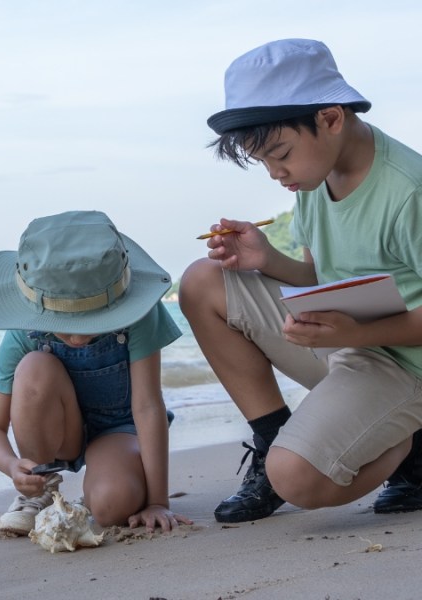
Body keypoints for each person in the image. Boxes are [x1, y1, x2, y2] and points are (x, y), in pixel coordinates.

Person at [179, 38, 422, 524]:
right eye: (262, 161)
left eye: (280, 154)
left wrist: (359, 335)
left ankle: (412, 452)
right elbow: (321, 276)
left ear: (331, 118)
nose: (275, 173)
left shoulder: (408, 190)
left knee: (297, 478)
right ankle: (271, 440)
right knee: (202, 281)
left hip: (405, 365)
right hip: (350, 344)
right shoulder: (316, 177)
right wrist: (266, 259)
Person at [0, 210, 192, 534]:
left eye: (90, 323)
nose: (77, 339)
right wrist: (12, 467)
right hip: (60, 431)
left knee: (110, 506)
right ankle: (40, 494)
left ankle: (100, 489)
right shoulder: (24, 331)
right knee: (34, 367)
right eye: (64, 326)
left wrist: (158, 501)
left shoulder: (139, 316)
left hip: (119, 428)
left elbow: (147, 406)